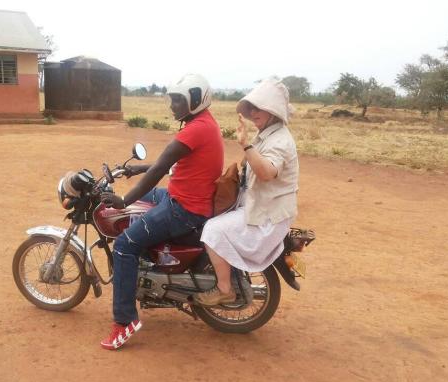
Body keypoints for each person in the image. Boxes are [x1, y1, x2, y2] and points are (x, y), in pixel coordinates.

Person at [97, 73, 223, 350]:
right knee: (147, 200)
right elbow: (169, 164)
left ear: (195, 100)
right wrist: (135, 169)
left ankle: (124, 321)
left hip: (185, 209)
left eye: (178, 100)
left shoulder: (195, 129)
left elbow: (159, 169)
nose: (172, 105)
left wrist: (122, 199)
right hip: (185, 196)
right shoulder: (204, 123)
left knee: (124, 245)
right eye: (172, 99)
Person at [193, 78, 299, 306]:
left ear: (273, 111)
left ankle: (224, 289)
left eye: (259, 107)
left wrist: (246, 145)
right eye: (251, 107)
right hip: (260, 207)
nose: (253, 112)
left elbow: (267, 172)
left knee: (213, 230)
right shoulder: (268, 134)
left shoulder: (280, 140)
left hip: (267, 217)